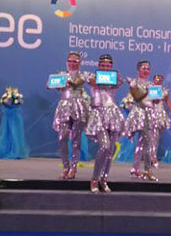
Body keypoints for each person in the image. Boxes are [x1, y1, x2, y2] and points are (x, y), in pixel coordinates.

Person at [85, 54, 125, 193]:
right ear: (98, 66)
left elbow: (118, 83)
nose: (105, 68)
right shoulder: (92, 77)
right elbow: (93, 82)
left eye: (108, 66)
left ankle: (104, 178)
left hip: (112, 114)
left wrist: (115, 79)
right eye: (103, 65)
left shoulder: (115, 78)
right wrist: (100, 79)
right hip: (98, 114)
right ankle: (94, 179)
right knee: (104, 146)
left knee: (110, 150)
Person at [48, 52, 90, 179]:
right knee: (62, 138)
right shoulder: (61, 75)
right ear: (67, 62)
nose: (72, 64)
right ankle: (65, 166)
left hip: (78, 107)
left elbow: (77, 83)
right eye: (70, 61)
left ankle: (73, 168)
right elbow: (51, 85)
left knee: (76, 139)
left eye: (75, 61)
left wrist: (68, 82)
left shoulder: (83, 75)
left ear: (80, 63)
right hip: (64, 106)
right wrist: (54, 84)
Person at [149, 73, 171, 170]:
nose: (158, 81)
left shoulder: (164, 91)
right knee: (154, 137)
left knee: (157, 137)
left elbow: (169, 103)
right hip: (152, 115)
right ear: (153, 81)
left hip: (161, 115)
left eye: (160, 80)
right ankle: (153, 158)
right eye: (157, 80)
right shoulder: (150, 90)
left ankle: (152, 156)